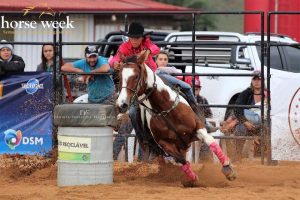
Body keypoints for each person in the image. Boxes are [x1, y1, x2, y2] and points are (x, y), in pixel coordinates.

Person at [155, 51, 205, 122]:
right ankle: (195, 108)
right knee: (187, 87)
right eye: (160, 59)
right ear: (156, 61)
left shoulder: (168, 71)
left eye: (165, 59)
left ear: (168, 61)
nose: (163, 61)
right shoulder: (163, 72)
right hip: (163, 79)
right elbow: (179, 74)